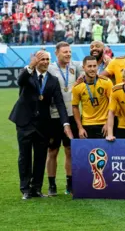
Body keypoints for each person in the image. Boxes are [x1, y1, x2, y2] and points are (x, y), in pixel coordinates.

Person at [10, 51, 73, 200]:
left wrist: (65, 123)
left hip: (43, 124)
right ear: (35, 61)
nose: (45, 62)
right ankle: (25, 189)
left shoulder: (52, 80)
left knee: (40, 156)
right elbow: (20, 81)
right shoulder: (28, 73)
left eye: (47, 59)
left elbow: (59, 103)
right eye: (42, 59)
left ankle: (36, 189)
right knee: (25, 156)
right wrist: (30, 66)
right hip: (24, 121)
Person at [46, 42, 82, 196]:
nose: (68, 54)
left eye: (70, 52)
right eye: (65, 52)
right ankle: (52, 185)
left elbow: (93, 65)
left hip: (72, 115)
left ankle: (70, 183)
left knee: (70, 151)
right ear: (56, 53)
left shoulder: (75, 66)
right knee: (52, 150)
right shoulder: (49, 68)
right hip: (53, 116)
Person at [71, 56, 113, 139]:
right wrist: (80, 128)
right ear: (83, 68)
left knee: (107, 151)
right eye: (89, 66)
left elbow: (113, 104)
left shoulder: (106, 82)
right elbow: (75, 107)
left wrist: (108, 123)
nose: (92, 69)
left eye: (94, 66)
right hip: (86, 125)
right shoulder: (77, 86)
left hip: (104, 124)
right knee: (89, 152)